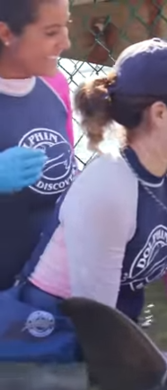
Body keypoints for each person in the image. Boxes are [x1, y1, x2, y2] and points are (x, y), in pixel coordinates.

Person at [0, 37, 167, 363]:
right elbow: (99, 332)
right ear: (160, 113)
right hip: (42, 343)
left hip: (109, 338)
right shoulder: (109, 187)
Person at [0, 0, 77, 291]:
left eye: (66, 27)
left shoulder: (55, 85)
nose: (66, 43)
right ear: (6, 33)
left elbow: (65, 172)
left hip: (46, 288)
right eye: (50, 32)